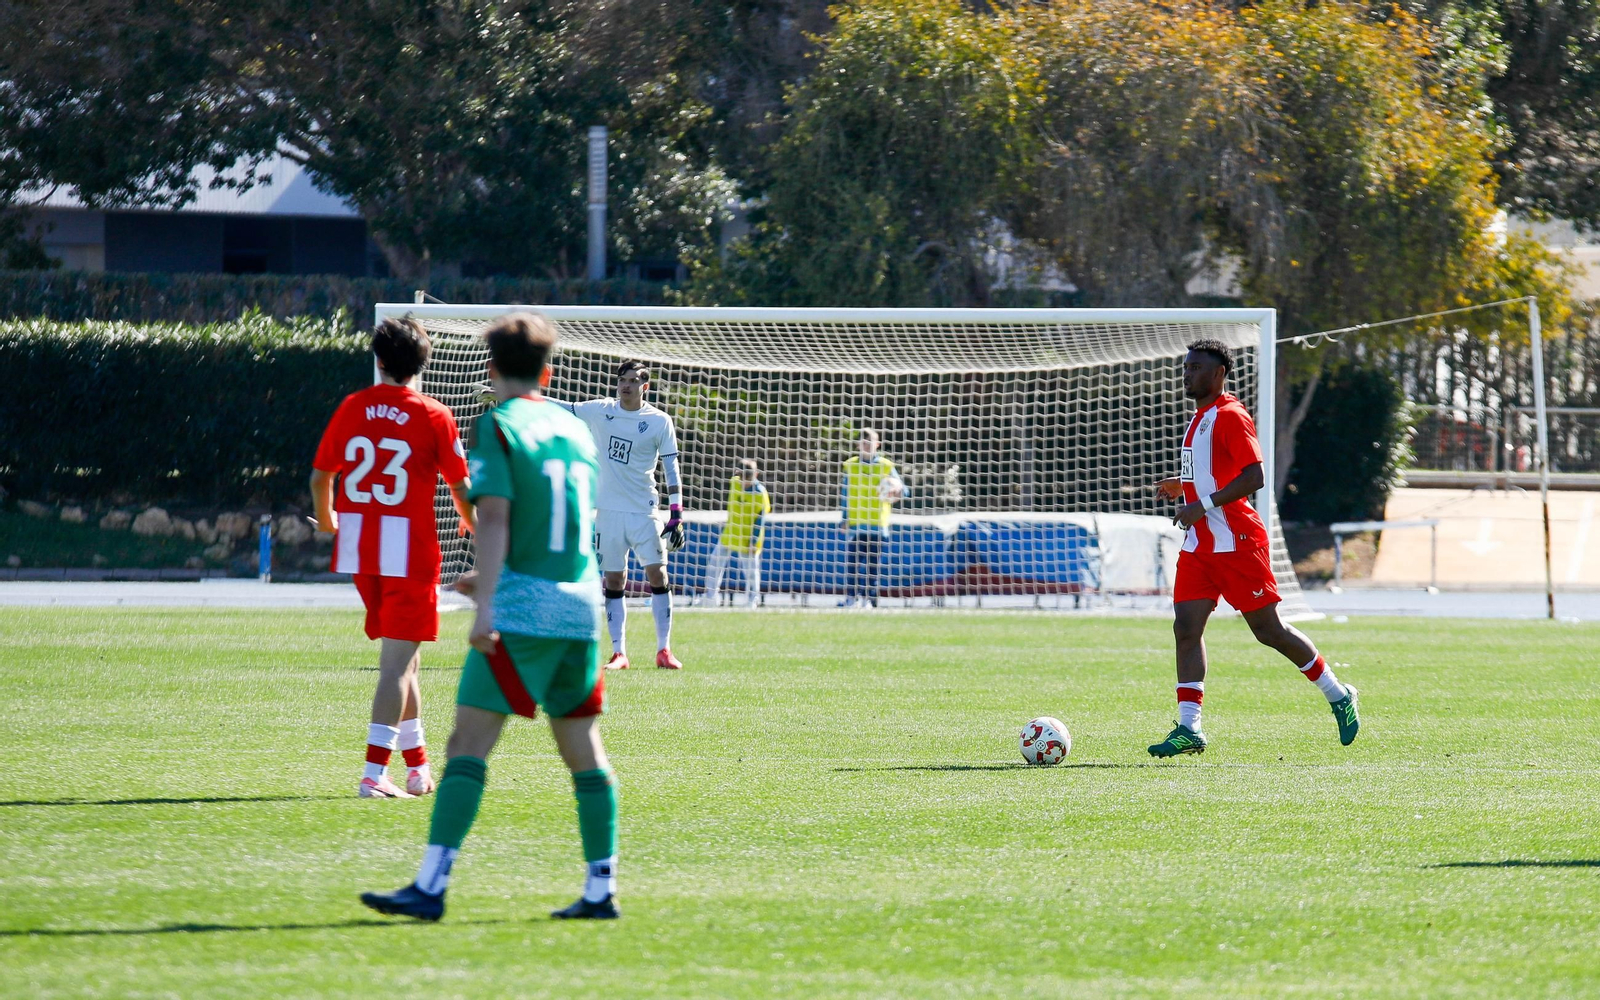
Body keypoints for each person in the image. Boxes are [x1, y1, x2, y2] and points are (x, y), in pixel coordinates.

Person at [360, 311, 620, 922]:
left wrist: (491, 598)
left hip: (522, 611)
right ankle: (601, 889)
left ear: (492, 369)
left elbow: (496, 517)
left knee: (467, 747)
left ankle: (430, 886)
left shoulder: (499, 425)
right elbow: (570, 519)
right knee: (584, 751)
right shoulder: (574, 427)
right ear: (549, 373)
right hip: (580, 609)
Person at [1148, 339, 1360, 757]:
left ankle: (1338, 693)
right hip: (1201, 544)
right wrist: (1183, 486)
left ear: (1218, 374)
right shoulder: (1199, 418)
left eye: (1195, 368)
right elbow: (1214, 472)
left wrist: (1201, 503)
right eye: (1186, 367)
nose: (1187, 373)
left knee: (1269, 631)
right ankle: (1190, 728)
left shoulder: (1230, 415)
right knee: (1186, 628)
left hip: (1238, 542)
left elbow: (1254, 476)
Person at [311, 317, 474, 799]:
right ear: (423, 364)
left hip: (361, 548)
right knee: (397, 666)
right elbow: (461, 487)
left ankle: (418, 766)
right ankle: (372, 773)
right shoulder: (434, 414)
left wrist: (326, 520)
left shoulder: (353, 406)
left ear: (378, 360)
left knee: (406, 659)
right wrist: (471, 522)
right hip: (410, 550)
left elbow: (322, 477)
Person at [561, 361, 685, 670]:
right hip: (608, 513)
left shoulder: (659, 421)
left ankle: (664, 650)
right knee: (614, 579)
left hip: (645, 511)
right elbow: (561, 407)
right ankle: (619, 653)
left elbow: (671, 467)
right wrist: (513, 396)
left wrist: (676, 513)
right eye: (622, 380)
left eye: (632, 381)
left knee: (658, 573)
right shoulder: (602, 409)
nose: (626, 385)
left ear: (646, 387)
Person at [838, 429, 902, 608]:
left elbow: (903, 490)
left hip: (877, 524)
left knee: (873, 567)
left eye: (870, 442)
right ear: (858, 445)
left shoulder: (886, 466)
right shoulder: (850, 465)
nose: (866, 445)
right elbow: (845, 493)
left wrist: (897, 490)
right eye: (863, 442)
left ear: (877, 444)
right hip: (856, 524)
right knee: (853, 565)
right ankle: (851, 598)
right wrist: (844, 518)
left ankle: (869, 600)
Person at [703, 458, 770, 608]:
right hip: (730, 533)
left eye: (748, 479)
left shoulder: (760, 494)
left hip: (748, 538)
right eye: (743, 478)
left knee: (751, 571)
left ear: (756, 475)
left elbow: (760, 519)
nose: (745, 483)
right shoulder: (734, 482)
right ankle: (710, 597)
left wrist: (753, 541)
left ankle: (753, 600)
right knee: (715, 562)